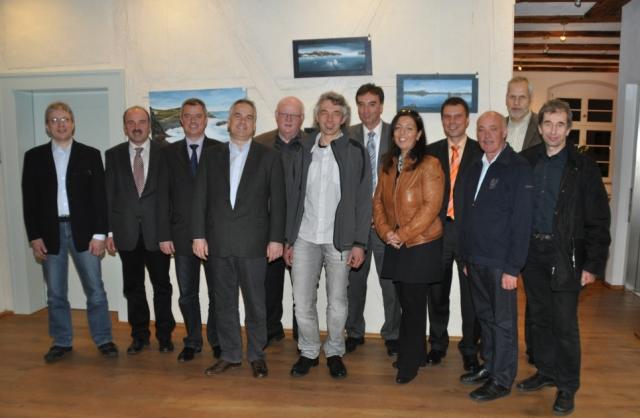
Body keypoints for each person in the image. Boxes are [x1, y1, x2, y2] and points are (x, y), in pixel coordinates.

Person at [518, 99, 611, 416]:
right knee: (539, 318)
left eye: (560, 124)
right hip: (532, 254)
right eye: (548, 124)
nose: (553, 131)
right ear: (540, 127)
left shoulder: (583, 166)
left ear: (569, 129)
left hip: (566, 256)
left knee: (565, 324)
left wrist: (592, 265)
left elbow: (599, 219)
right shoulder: (527, 160)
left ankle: (568, 386)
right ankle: (546, 371)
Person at [192, 99, 285, 379]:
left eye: (249, 117)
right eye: (238, 116)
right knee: (224, 303)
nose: (243, 121)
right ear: (229, 121)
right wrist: (198, 235)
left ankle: (257, 355)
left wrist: (276, 239)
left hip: (254, 244)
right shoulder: (211, 155)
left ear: (255, 124)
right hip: (218, 242)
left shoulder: (269, 156)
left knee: (256, 304)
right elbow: (199, 197)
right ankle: (230, 355)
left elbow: (279, 202)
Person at [22, 101, 118, 363]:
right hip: (49, 232)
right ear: (47, 126)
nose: (60, 124)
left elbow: (100, 198)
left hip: (85, 233)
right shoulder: (34, 157)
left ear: (73, 123)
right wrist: (34, 236)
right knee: (55, 292)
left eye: (65, 119)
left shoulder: (90, 154)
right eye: (54, 120)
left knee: (95, 290)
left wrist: (100, 235)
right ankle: (61, 341)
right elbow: (29, 201)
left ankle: (104, 339)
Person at [285, 91, 371, 379]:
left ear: (344, 118)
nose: (330, 119)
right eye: (324, 112)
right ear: (316, 116)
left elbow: (363, 200)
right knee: (302, 302)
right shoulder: (302, 148)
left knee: (337, 304)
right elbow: (292, 197)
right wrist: (288, 240)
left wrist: (359, 243)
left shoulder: (355, 150)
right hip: (305, 237)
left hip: (340, 240)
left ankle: (334, 351)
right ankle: (309, 350)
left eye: (336, 113)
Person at [458, 111, 533, 402]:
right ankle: (490, 366)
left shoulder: (517, 167)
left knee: (503, 324)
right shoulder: (474, 166)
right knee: (486, 318)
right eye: (481, 130)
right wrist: (465, 257)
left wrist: (513, 268)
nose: (486, 135)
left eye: (493, 129)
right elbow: (466, 214)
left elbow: (522, 221)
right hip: (475, 259)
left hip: (501, 264)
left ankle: (502, 379)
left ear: (504, 132)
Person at [373, 108, 444, 384]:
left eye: (409, 128)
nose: (402, 133)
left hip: (420, 244)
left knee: (414, 306)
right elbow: (378, 202)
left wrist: (402, 234)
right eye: (398, 128)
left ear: (419, 134)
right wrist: (385, 232)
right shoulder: (388, 163)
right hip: (396, 243)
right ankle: (412, 353)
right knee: (405, 303)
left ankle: (410, 363)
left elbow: (431, 207)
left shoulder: (430, 163)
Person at [105, 106, 176, 355]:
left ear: (149, 125)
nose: (137, 127)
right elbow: (109, 195)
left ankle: (165, 336)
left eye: (142, 122)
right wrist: (110, 232)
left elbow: (172, 197)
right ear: (124, 127)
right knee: (133, 287)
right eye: (131, 122)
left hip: (158, 233)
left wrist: (169, 233)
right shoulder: (113, 155)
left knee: (162, 287)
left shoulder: (165, 152)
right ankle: (139, 336)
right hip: (126, 233)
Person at [156, 98, 222, 362]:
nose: (193, 120)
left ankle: (217, 340)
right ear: (181, 120)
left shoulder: (220, 150)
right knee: (187, 295)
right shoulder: (167, 154)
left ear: (205, 119)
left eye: (198, 116)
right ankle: (193, 341)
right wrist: (164, 235)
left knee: (218, 293)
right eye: (188, 116)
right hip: (181, 235)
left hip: (215, 236)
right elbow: (162, 197)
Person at [426, 97, 482, 370]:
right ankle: (437, 344)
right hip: (438, 231)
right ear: (442, 120)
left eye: (458, 116)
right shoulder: (430, 152)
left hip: (470, 233)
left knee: (471, 296)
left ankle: (470, 348)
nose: (452, 121)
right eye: (447, 116)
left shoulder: (482, 151)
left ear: (467, 119)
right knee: (437, 292)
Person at [345, 83, 401, 356]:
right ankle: (354, 331)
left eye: (372, 104)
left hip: (387, 224)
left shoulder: (397, 134)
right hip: (355, 224)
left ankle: (393, 333)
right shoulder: (346, 135)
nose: (366, 110)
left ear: (381, 106)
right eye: (361, 104)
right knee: (353, 283)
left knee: (390, 284)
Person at [254, 96, 305, 346]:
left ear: (302, 119)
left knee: (302, 287)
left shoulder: (313, 144)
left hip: (302, 227)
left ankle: (302, 335)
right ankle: (271, 329)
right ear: (276, 116)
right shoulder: (259, 143)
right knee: (268, 285)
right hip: (267, 227)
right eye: (284, 114)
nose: (288, 119)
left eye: (293, 115)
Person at [506, 76, 542, 152]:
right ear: (506, 99)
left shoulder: (542, 126)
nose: (516, 102)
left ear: (530, 99)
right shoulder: (498, 127)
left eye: (522, 97)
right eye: (512, 97)